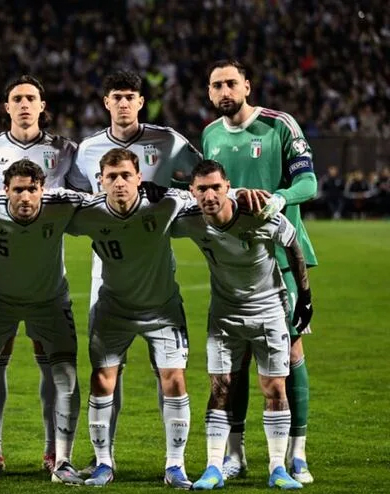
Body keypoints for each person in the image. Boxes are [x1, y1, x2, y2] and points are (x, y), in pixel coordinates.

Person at [66, 70, 202, 474]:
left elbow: (202, 179)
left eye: (130, 96)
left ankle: (174, 460)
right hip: (107, 260)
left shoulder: (169, 141)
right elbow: (77, 197)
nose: (124, 103)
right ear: (106, 102)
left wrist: (174, 194)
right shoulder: (87, 149)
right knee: (108, 367)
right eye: (117, 97)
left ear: (141, 102)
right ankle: (103, 456)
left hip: (154, 253)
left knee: (169, 371)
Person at [203, 59, 318, 483]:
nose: (224, 91)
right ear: (210, 92)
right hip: (234, 261)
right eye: (217, 85)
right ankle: (235, 454)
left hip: (282, 257)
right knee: (235, 359)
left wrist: (277, 199)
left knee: (290, 353)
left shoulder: (279, 125)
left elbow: (309, 184)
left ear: (247, 86)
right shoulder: (210, 135)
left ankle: (297, 454)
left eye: (231, 83)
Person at [172, 160, 310, 490]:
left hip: (269, 311)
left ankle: (278, 468)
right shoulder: (189, 219)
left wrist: (305, 297)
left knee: (274, 388)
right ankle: (213, 467)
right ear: (192, 192)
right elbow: (160, 206)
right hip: (224, 316)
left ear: (228, 187)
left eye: (216, 187)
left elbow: (292, 243)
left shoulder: (257, 212)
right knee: (220, 388)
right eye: (202, 189)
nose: (209, 195)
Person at [0, 75, 77, 473]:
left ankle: (54, 452)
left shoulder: (65, 150)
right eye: (17, 98)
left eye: (32, 98)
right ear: (7, 106)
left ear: (42, 105)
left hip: (46, 273)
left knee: (51, 362)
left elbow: (85, 198)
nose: (25, 104)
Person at [0, 160, 83, 486]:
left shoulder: (64, 203)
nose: (25, 197)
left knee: (66, 373)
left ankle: (63, 461)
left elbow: (103, 202)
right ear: (5, 191)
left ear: (43, 190)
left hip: (50, 302)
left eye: (32, 190)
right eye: (18, 190)